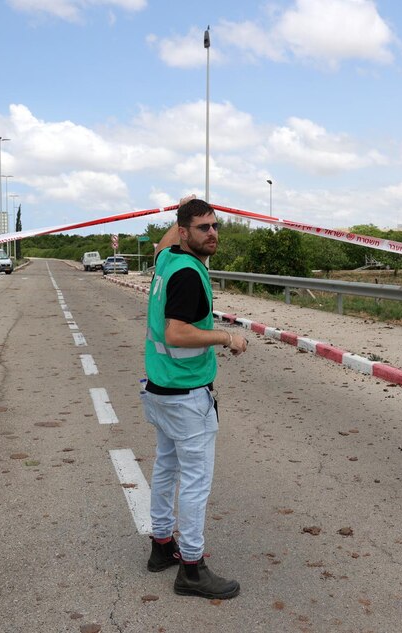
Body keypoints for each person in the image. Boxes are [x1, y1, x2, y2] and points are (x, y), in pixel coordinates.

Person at [141, 197, 248, 599]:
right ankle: (191, 567)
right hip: (186, 396)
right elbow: (176, 333)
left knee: (166, 467)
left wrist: (184, 209)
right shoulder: (187, 274)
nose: (213, 233)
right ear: (185, 233)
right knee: (195, 482)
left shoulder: (167, 260)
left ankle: (161, 545)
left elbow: (160, 245)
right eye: (203, 228)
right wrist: (227, 337)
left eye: (215, 226)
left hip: (161, 388)